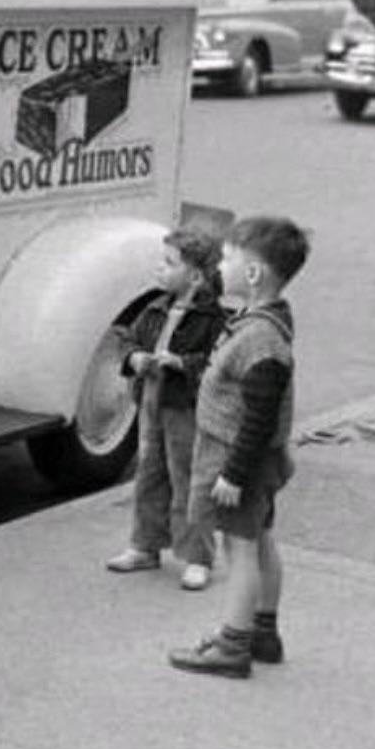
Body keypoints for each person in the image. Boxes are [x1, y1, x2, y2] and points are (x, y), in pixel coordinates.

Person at [169, 215, 310, 678]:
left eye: (228, 258)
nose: (220, 265)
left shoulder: (260, 340)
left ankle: (233, 645)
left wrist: (233, 473)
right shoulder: (263, 322)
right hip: (256, 461)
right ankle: (262, 631)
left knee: (240, 547)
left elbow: (259, 415)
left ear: (252, 275)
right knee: (262, 537)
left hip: (239, 461)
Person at [105, 228, 225, 590]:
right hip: (152, 402)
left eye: (169, 263)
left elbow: (218, 363)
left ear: (195, 276)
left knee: (189, 477)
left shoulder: (212, 319)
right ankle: (145, 544)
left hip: (184, 407)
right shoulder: (155, 307)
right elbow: (125, 338)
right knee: (150, 473)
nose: (160, 268)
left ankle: (198, 556)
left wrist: (182, 364)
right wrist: (134, 357)